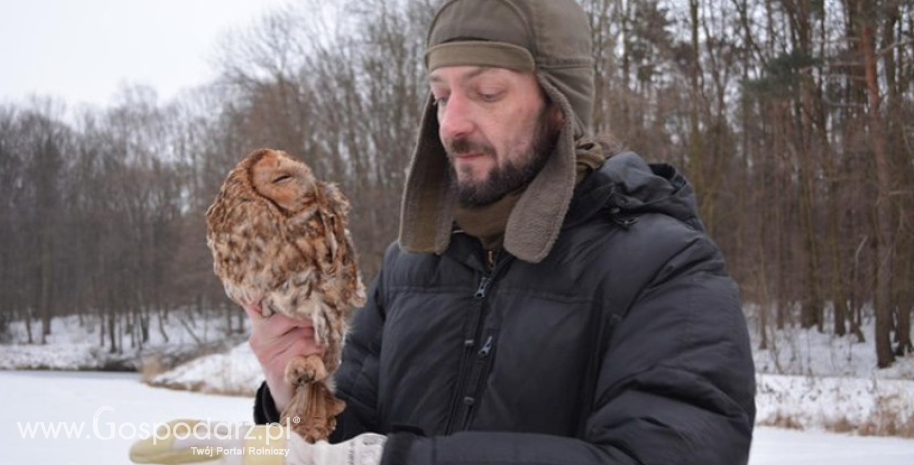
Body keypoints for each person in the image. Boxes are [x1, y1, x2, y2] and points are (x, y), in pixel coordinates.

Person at [132, 0, 755, 464]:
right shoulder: (411, 264)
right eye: (440, 93)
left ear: (560, 105)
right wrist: (293, 394)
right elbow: (349, 438)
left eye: (486, 91)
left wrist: (389, 462)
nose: (451, 123)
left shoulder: (667, 268)